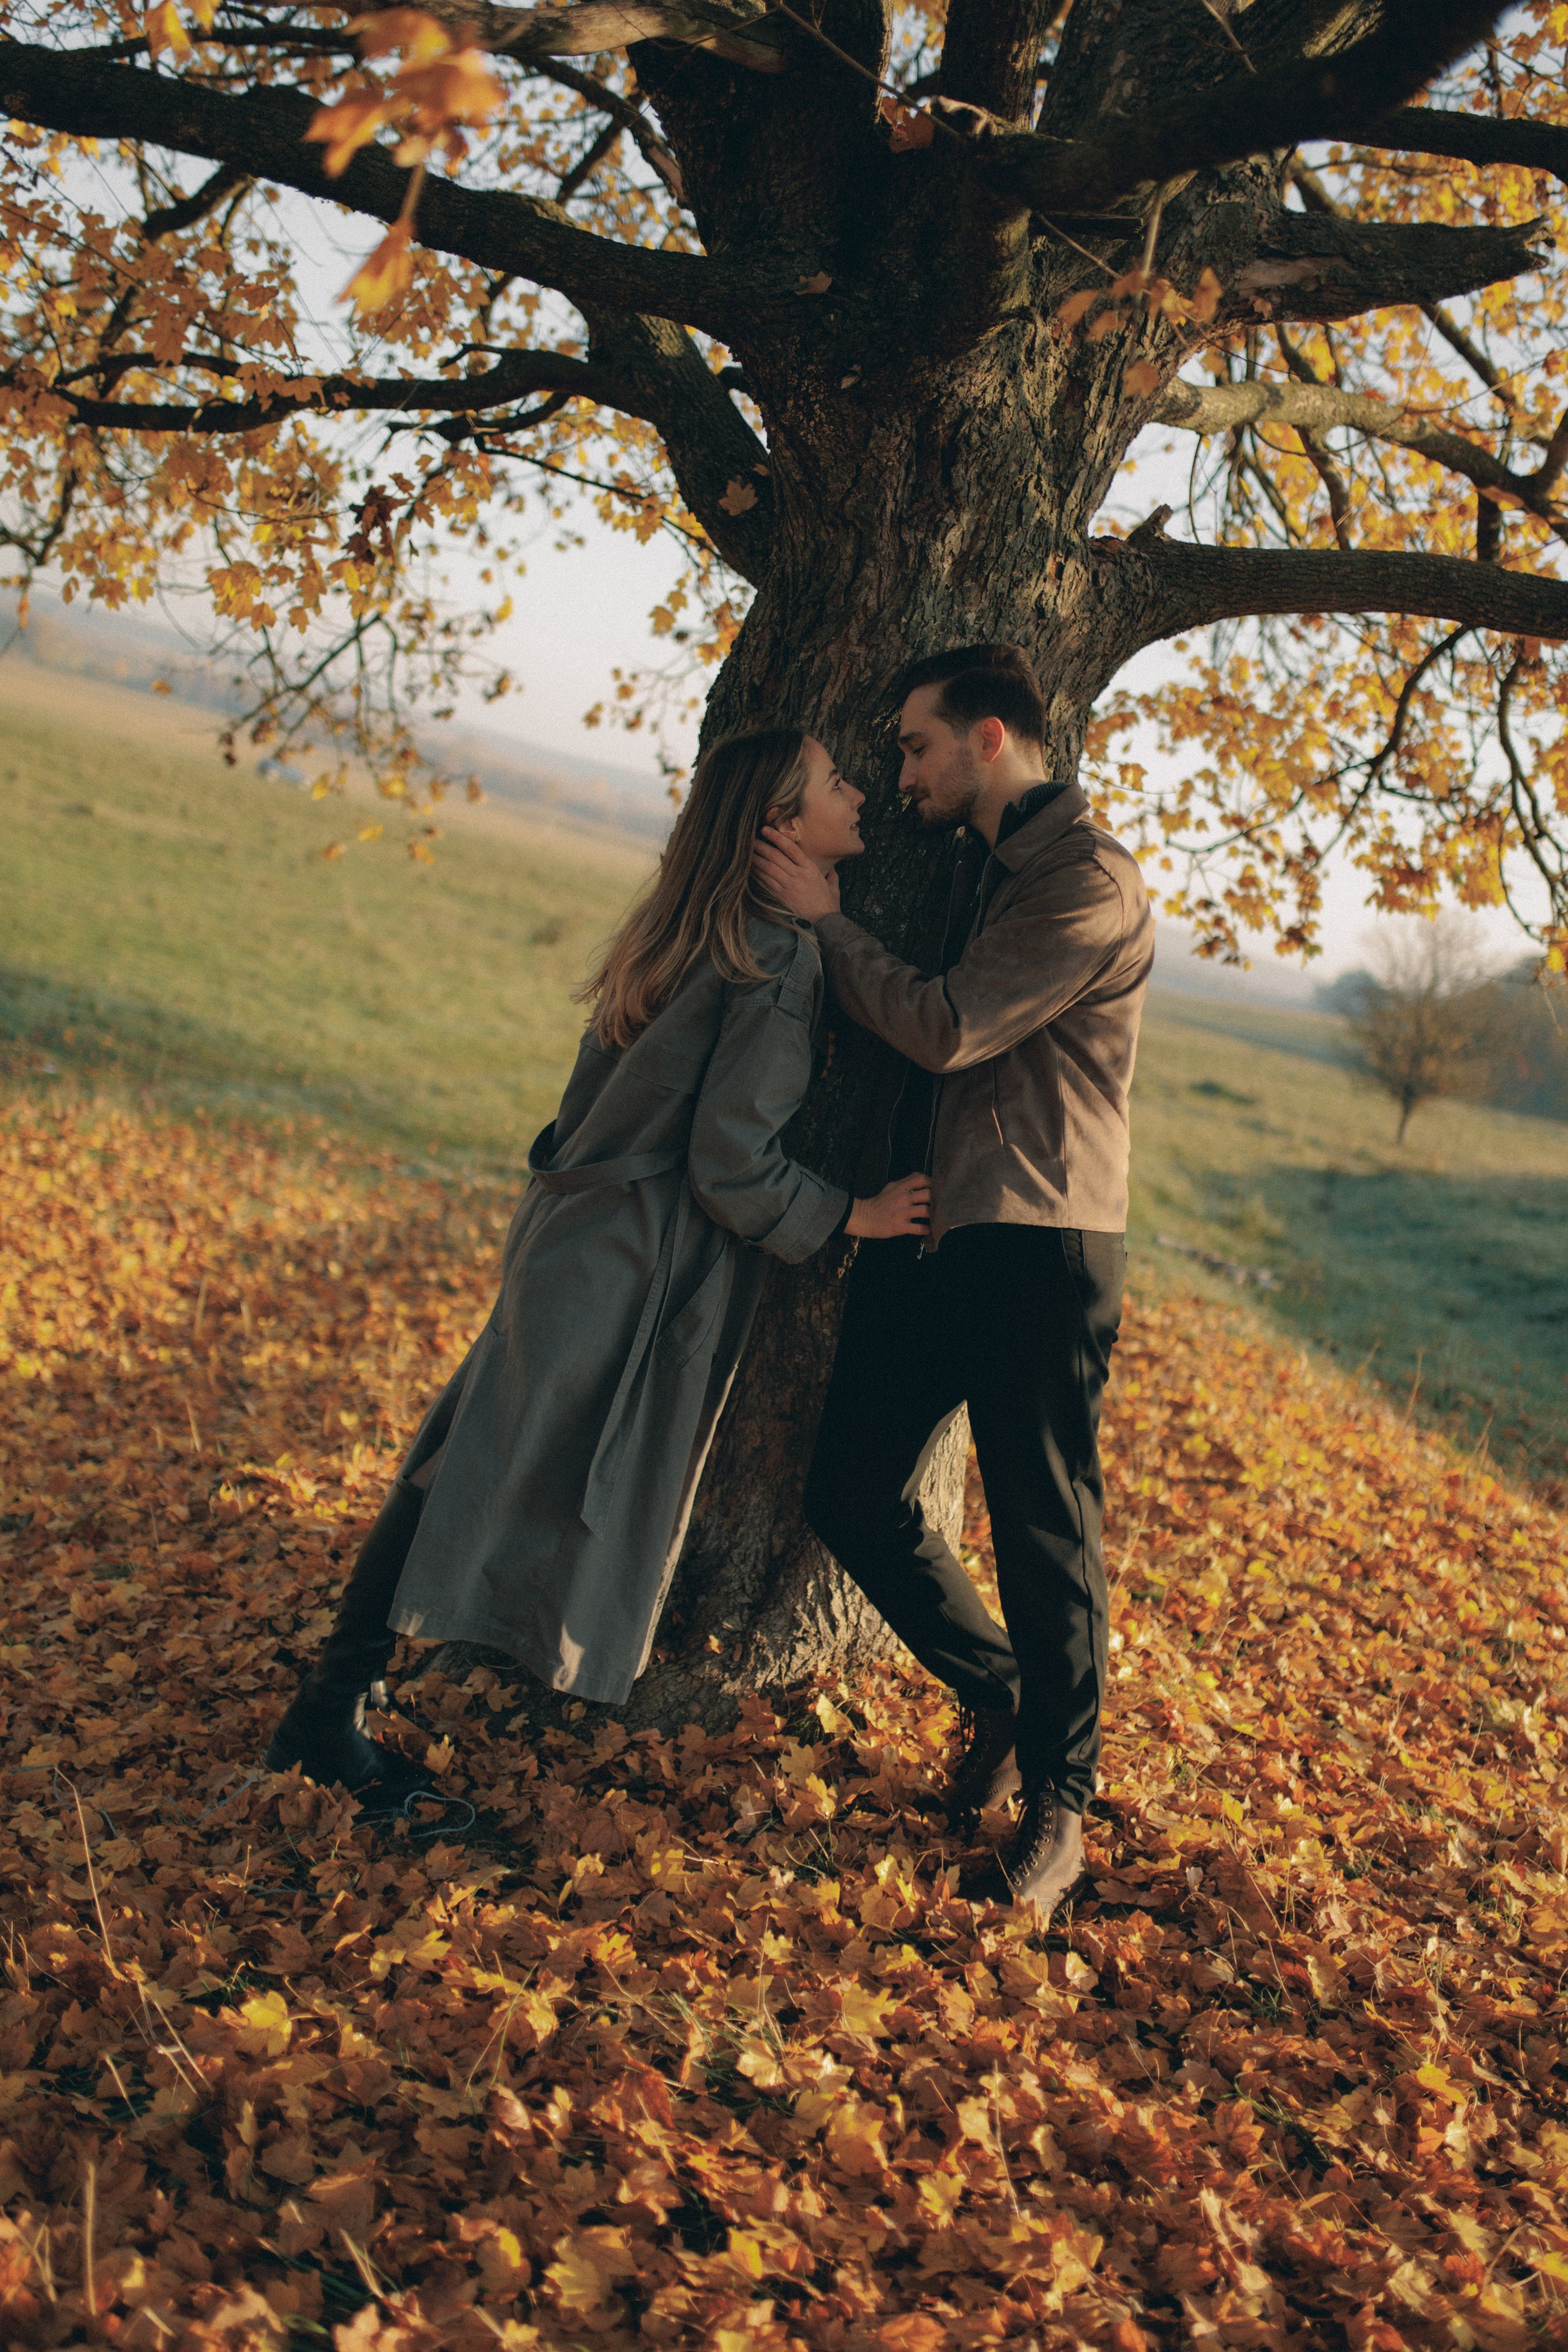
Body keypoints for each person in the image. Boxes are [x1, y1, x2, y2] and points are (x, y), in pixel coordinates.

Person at [265, 728, 930, 1799]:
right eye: (835, 780)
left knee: (467, 1448)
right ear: (780, 826)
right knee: (471, 1464)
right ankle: (325, 1713)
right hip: (628, 1262)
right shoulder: (774, 958)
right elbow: (731, 1164)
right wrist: (850, 1213)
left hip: (570, 1237)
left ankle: (341, 1691)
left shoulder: (681, 925)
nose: (858, 790)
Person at [753, 647, 1154, 1921]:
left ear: (989, 738)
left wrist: (822, 923)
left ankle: (1060, 1811)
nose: (902, 771)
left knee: (1044, 1525)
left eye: (919, 746)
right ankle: (995, 1690)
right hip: (936, 1232)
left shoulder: (1084, 881)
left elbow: (944, 1027)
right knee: (850, 1490)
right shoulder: (979, 867)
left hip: (1043, 1243)